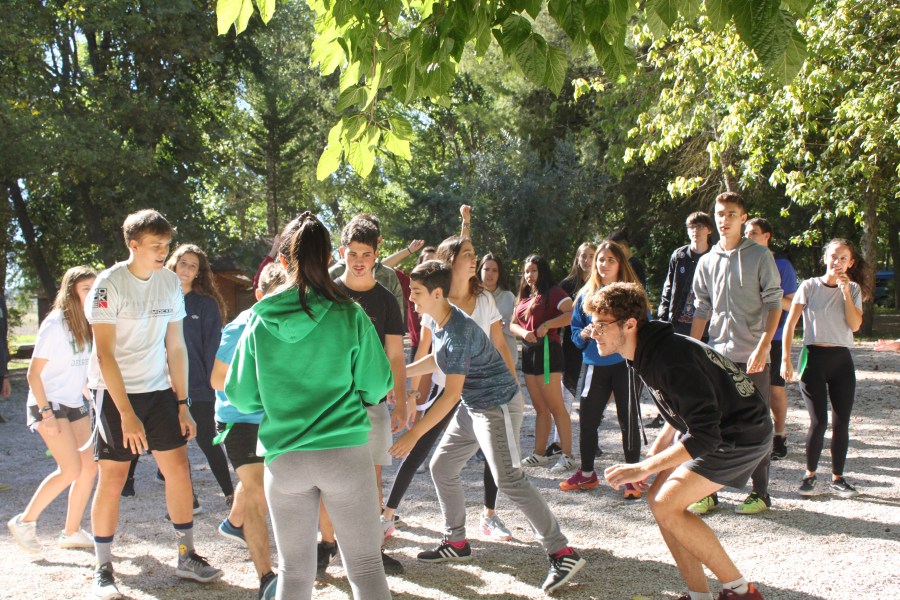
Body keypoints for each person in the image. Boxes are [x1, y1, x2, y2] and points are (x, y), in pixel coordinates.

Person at [390, 260, 586, 595]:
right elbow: (440, 359)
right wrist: (398, 372)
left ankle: (562, 553)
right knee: (442, 467)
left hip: (495, 406)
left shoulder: (458, 330)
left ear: (436, 293)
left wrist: (414, 433)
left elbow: (450, 394)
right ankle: (456, 542)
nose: (411, 298)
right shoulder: (440, 319)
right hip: (474, 405)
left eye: (416, 292)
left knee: (509, 479)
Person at [225, 212, 393, 600]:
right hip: (345, 453)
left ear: (283, 261)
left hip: (285, 458)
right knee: (366, 569)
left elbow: (241, 396)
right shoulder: (350, 313)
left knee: (294, 573)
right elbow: (376, 385)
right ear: (330, 257)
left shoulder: (259, 319)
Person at [593, 282, 770, 600]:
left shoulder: (669, 358)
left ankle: (742, 593)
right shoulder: (649, 349)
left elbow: (705, 434)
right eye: (593, 325)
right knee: (659, 501)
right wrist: (653, 456)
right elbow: (684, 411)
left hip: (742, 434)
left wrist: (644, 467)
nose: (594, 333)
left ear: (629, 324)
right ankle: (698, 594)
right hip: (722, 430)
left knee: (667, 504)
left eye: (601, 325)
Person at [86, 209, 222, 599]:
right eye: (155, 245)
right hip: (114, 392)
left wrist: (182, 403)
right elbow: (105, 354)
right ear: (133, 245)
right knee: (112, 478)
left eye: (166, 244)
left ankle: (186, 556)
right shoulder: (108, 285)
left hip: (158, 389)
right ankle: (103, 568)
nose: (163, 252)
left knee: (178, 470)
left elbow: (175, 346)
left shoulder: (168, 282)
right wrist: (126, 414)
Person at [382, 236, 519, 547]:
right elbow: (426, 352)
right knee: (419, 448)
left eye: (474, 254)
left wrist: (513, 387)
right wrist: (412, 395)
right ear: (451, 261)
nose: (475, 260)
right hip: (446, 390)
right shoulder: (434, 301)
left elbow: (500, 344)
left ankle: (489, 515)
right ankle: (388, 514)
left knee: (493, 456)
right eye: (468, 254)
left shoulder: (484, 299)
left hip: (482, 392)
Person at [326, 214, 410, 575]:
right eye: (352, 253)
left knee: (371, 479)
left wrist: (402, 401)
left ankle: (371, 551)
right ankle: (328, 546)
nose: (359, 261)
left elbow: (395, 355)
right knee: (330, 478)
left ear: (377, 253)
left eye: (366, 254)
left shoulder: (387, 300)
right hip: (331, 404)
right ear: (341, 252)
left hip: (372, 403)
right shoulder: (327, 294)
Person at [689, 192, 782, 516]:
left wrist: (763, 345)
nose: (724, 219)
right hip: (718, 357)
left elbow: (775, 303)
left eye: (731, 214)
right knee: (714, 423)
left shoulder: (760, 256)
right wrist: (692, 351)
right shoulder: (707, 261)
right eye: (720, 214)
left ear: (743, 218)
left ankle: (761, 493)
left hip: (753, 355)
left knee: (755, 424)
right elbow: (701, 308)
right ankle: (708, 493)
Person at [8, 267, 98, 554]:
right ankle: (24, 522)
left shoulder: (88, 322)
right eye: (86, 289)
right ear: (71, 291)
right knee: (70, 469)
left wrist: (96, 400)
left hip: (74, 403)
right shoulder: (55, 323)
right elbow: (33, 374)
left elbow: (80, 373)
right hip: (48, 403)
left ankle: (71, 532)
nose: (92, 294)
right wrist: (46, 413)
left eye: (95, 288)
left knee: (89, 467)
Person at [211, 262, 286, 599]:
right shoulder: (239, 327)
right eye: (274, 297)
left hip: (274, 418)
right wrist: (263, 394)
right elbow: (217, 379)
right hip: (238, 419)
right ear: (258, 295)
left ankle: (234, 522)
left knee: (261, 482)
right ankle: (267, 578)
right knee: (258, 491)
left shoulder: (290, 325)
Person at [782, 239, 870, 498]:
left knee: (841, 422)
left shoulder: (853, 289)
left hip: (841, 360)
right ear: (825, 258)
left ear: (850, 263)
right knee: (819, 421)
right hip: (813, 359)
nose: (837, 262)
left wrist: (845, 292)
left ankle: (837, 477)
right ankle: (809, 474)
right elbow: (790, 324)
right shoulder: (809, 286)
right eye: (833, 256)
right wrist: (786, 359)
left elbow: (855, 325)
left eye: (843, 258)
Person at [560, 241, 643, 498]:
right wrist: (584, 334)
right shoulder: (585, 294)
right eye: (600, 259)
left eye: (610, 260)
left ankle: (632, 478)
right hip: (595, 365)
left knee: (628, 420)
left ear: (620, 264)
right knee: (587, 420)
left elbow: (644, 326)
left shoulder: (632, 293)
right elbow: (574, 335)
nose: (604, 264)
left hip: (626, 365)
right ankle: (587, 474)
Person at [511, 255, 575, 472]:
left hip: (549, 351)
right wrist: (524, 333)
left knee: (556, 407)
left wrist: (547, 325)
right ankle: (539, 454)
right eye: (526, 271)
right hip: (529, 352)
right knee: (540, 408)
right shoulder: (525, 296)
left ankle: (567, 456)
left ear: (543, 271)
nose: (529, 275)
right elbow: (512, 324)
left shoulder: (554, 292)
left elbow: (571, 313)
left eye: (534, 270)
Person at [744, 218, 798, 461]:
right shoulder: (741, 261)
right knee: (748, 389)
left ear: (767, 236)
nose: (748, 237)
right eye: (746, 233)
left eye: (754, 233)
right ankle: (753, 439)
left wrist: (768, 295)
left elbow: (792, 305)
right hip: (746, 335)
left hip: (774, 336)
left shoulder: (782, 265)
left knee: (775, 390)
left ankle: (779, 435)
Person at [329, 213, 405, 317]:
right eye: (353, 254)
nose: (359, 261)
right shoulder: (333, 275)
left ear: (379, 240)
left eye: (370, 235)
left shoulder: (389, 276)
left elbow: (397, 318)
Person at [658, 212, 713, 337]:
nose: (695, 230)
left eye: (700, 226)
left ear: (709, 230)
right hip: (679, 324)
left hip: (707, 326)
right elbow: (668, 288)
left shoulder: (715, 256)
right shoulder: (679, 256)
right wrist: (663, 318)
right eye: (691, 227)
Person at [559, 242, 596, 396]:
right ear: (577, 258)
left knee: (594, 384)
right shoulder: (566, 285)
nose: (587, 260)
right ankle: (565, 409)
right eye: (584, 256)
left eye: (592, 256)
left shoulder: (602, 284)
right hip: (571, 340)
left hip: (595, 341)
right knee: (568, 383)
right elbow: (557, 315)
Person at [478, 252, 518, 366]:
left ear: (499, 274)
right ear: (480, 271)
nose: (490, 273)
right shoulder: (471, 297)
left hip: (505, 361)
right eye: (486, 269)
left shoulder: (509, 297)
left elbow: (519, 328)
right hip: (479, 361)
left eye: (495, 270)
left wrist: (503, 325)